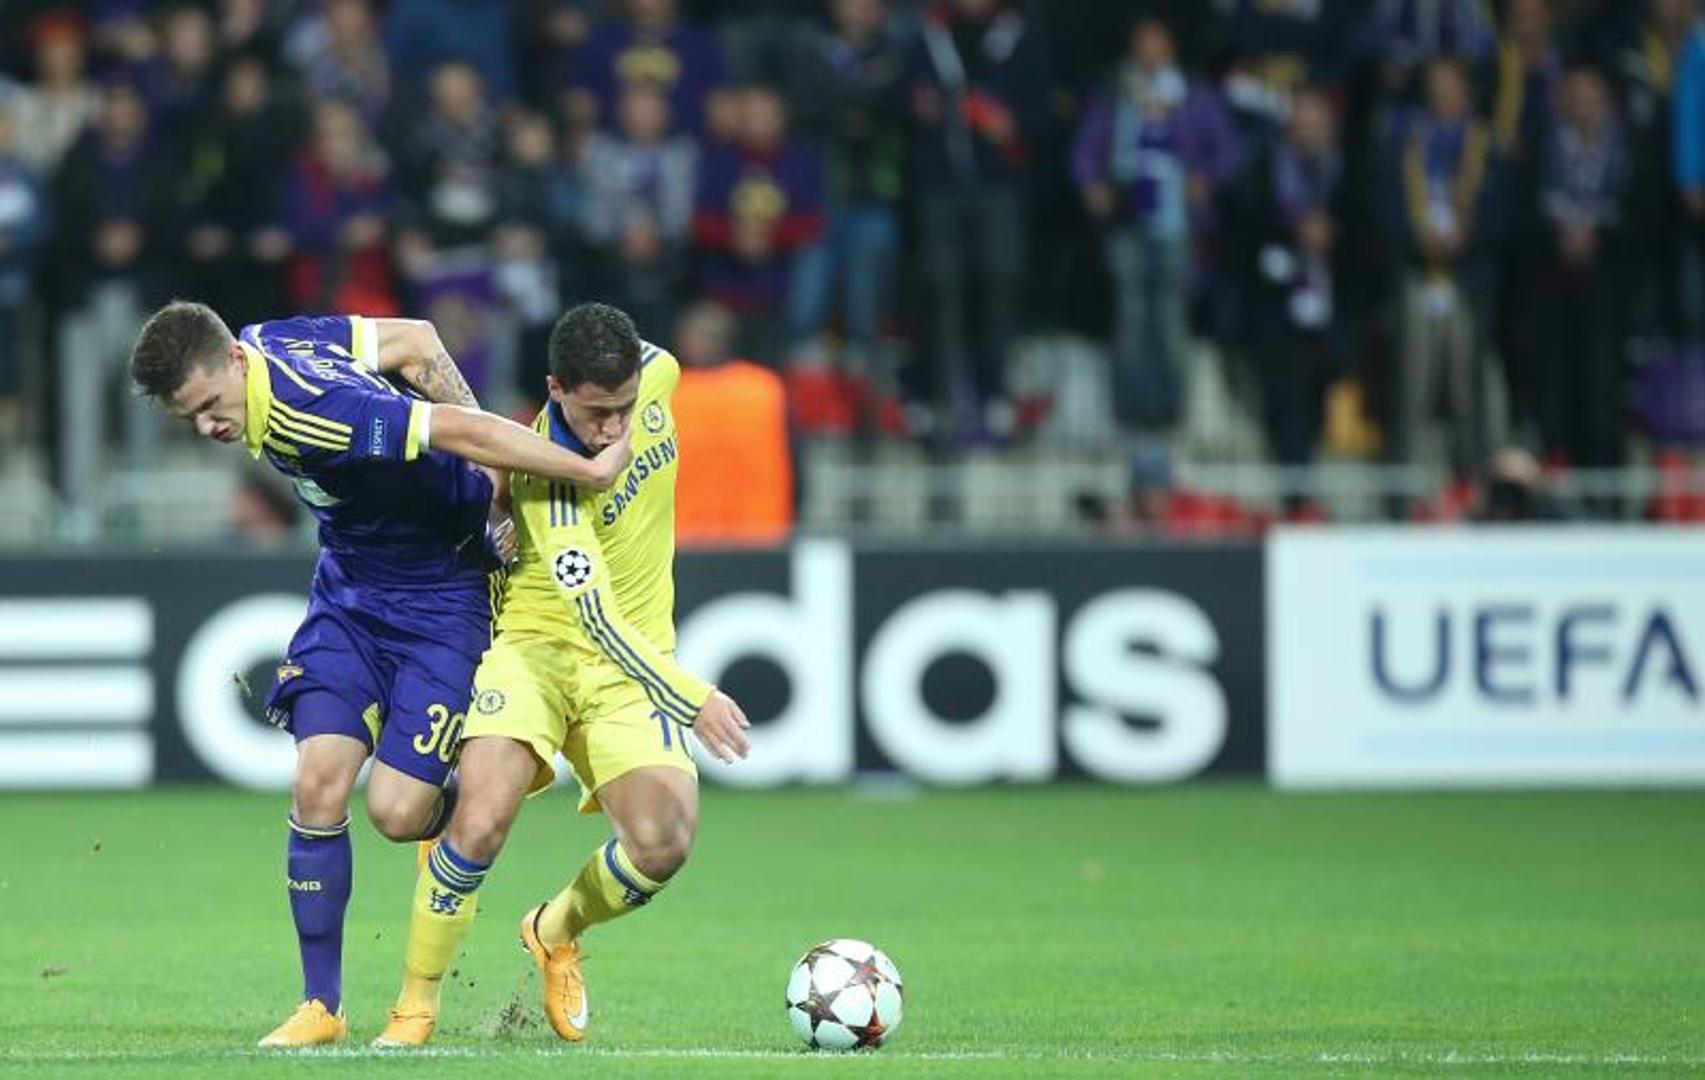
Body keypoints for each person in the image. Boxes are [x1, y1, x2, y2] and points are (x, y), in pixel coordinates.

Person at [127, 301, 634, 1048]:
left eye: (209, 405)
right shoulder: (270, 341)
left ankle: (465, 804)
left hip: (444, 593)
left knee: (397, 814)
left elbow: (458, 429)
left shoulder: (314, 411)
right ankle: (321, 1006)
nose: (208, 427)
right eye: (190, 418)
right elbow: (416, 340)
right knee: (316, 784)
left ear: (233, 362)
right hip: (350, 594)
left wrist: (569, 470)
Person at [373, 302, 751, 1047]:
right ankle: (414, 1008)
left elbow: (651, 364)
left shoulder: (660, 373)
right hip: (538, 648)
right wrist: (693, 697)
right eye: (595, 413)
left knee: (663, 842)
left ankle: (554, 930)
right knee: (480, 821)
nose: (611, 430)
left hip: (628, 667)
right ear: (555, 389)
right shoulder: (546, 475)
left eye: (623, 409)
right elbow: (596, 617)